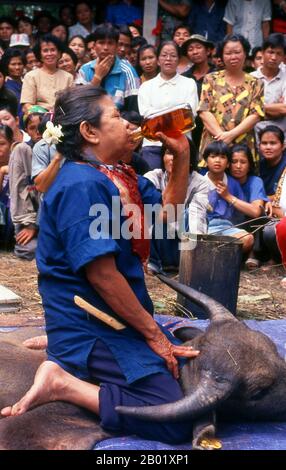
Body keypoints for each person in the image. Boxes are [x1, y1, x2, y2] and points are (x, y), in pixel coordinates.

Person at [0, 85, 199, 445]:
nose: (129, 124)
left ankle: (74, 362)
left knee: (193, 372)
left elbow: (168, 213)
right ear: (89, 132)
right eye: (117, 116)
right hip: (93, 325)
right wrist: (154, 335)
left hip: (121, 317)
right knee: (176, 417)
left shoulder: (120, 176)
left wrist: (182, 156)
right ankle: (64, 383)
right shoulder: (80, 184)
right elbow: (102, 275)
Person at [198, 34, 264, 168]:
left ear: (245, 53)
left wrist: (231, 135)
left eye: (237, 52)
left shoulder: (256, 83)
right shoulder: (211, 79)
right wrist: (222, 138)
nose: (233, 56)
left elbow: (256, 114)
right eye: (228, 53)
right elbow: (204, 111)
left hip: (243, 148)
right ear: (221, 56)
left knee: (241, 187)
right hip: (214, 145)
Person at [144, 141, 209, 271]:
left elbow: (197, 218)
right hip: (158, 242)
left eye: (180, 154)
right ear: (163, 157)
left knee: (189, 213)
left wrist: (196, 256)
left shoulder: (200, 182)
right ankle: (153, 262)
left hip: (184, 246)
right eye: (169, 153)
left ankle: (188, 264)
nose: (174, 158)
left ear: (190, 159)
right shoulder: (152, 177)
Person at [138, 40, 198, 169]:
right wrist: (175, 116)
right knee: (152, 183)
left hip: (181, 143)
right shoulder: (146, 87)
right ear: (158, 60)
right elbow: (147, 116)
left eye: (173, 55)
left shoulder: (189, 83)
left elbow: (189, 115)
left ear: (179, 60)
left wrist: (160, 119)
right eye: (164, 55)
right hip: (153, 144)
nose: (168, 59)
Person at [203, 141, 254, 254]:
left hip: (228, 228)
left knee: (248, 239)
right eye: (213, 156)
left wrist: (227, 196)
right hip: (205, 228)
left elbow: (240, 214)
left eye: (222, 157)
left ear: (227, 164)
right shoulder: (198, 183)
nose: (217, 160)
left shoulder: (233, 183)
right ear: (206, 161)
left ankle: (225, 259)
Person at [78, 23, 140, 112]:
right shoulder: (85, 70)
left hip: (118, 121)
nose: (106, 48)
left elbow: (134, 112)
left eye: (110, 43)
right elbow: (78, 106)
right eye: (101, 43)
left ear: (116, 46)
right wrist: (97, 77)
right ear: (94, 46)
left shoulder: (128, 71)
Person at [229, 143, 269, 268]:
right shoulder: (224, 179)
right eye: (234, 161)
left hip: (248, 225)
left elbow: (256, 212)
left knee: (262, 212)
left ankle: (254, 254)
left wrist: (229, 197)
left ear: (250, 164)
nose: (238, 166)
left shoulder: (255, 181)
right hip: (229, 225)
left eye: (243, 162)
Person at [20, 34, 74, 114]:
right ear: (40, 55)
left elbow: (72, 104)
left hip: (63, 118)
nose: (49, 54)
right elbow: (26, 106)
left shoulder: (68, 77)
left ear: (59, 53)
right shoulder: (31, 76)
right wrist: (43, 114)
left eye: (53, 50)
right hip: (39, 119)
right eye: (45, 51)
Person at [251, 34, 286, 142]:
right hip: (254, 139)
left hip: (282, 140)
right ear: (262, 53)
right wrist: (276, 108)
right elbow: (244, 111)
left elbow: (284, 109)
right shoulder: (251, 78)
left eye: (279, 54)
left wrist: (257, 109)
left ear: (284, 57)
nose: (274, 57)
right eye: (270, 52)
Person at [259, 125, 286, 199]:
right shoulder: (259, 165)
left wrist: (262, 199)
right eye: (264, 143)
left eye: (273, 143)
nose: (268, 147)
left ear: (283, 146)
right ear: (259, 146)